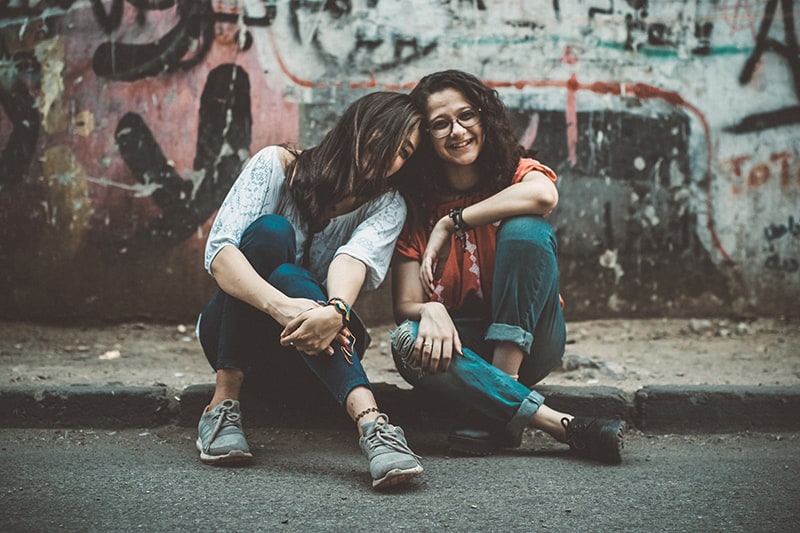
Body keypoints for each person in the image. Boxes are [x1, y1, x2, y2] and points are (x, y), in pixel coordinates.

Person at [391, 70, 625, 463]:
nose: (458, 131)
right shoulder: (415, 206)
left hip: (533, 339)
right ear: (425, 136)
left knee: (527, 228)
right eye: (440, 124)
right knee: (404, 340)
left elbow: (543, 194)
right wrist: (430, 309)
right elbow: (404, 305)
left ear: (484, 116)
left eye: (467, 115)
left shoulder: (513, 174)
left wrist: (453, 221)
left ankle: (501, 389)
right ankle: (555, 424)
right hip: (460, 351)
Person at [196, 91, 425, 489]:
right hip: (231, 341)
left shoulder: (388, 204)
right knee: (271, 233)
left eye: (405, 150)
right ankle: (223, 403)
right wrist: (280, 306)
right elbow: (220, 255)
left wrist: (334, 310)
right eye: (387, 135)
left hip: (318, 352)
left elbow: (352, 260)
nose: (392, 154)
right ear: (359, 124)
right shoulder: (275, 165)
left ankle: (374, 427)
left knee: (291, 275)